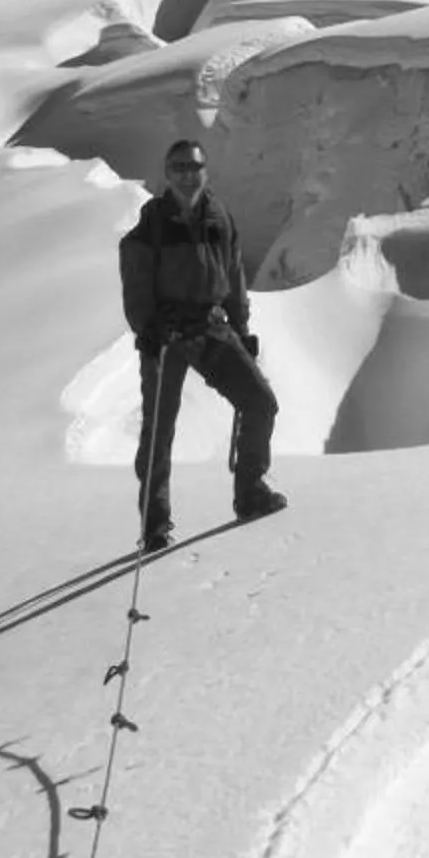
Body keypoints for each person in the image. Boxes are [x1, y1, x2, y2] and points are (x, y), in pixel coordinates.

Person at [118, 138, 282, 552]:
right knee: (159, 432)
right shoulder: (152, 224)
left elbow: (233, 274)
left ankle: (251, 492)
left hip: (210, 327)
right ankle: (155, 526)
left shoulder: (218, 218)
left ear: (205, 171)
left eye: (194, 167)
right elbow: (135, 282)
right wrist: (148, 328)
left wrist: (241, 327)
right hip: (168, 335)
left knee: (260, 403)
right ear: (167, 173)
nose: (188, 175)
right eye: (179, 168)